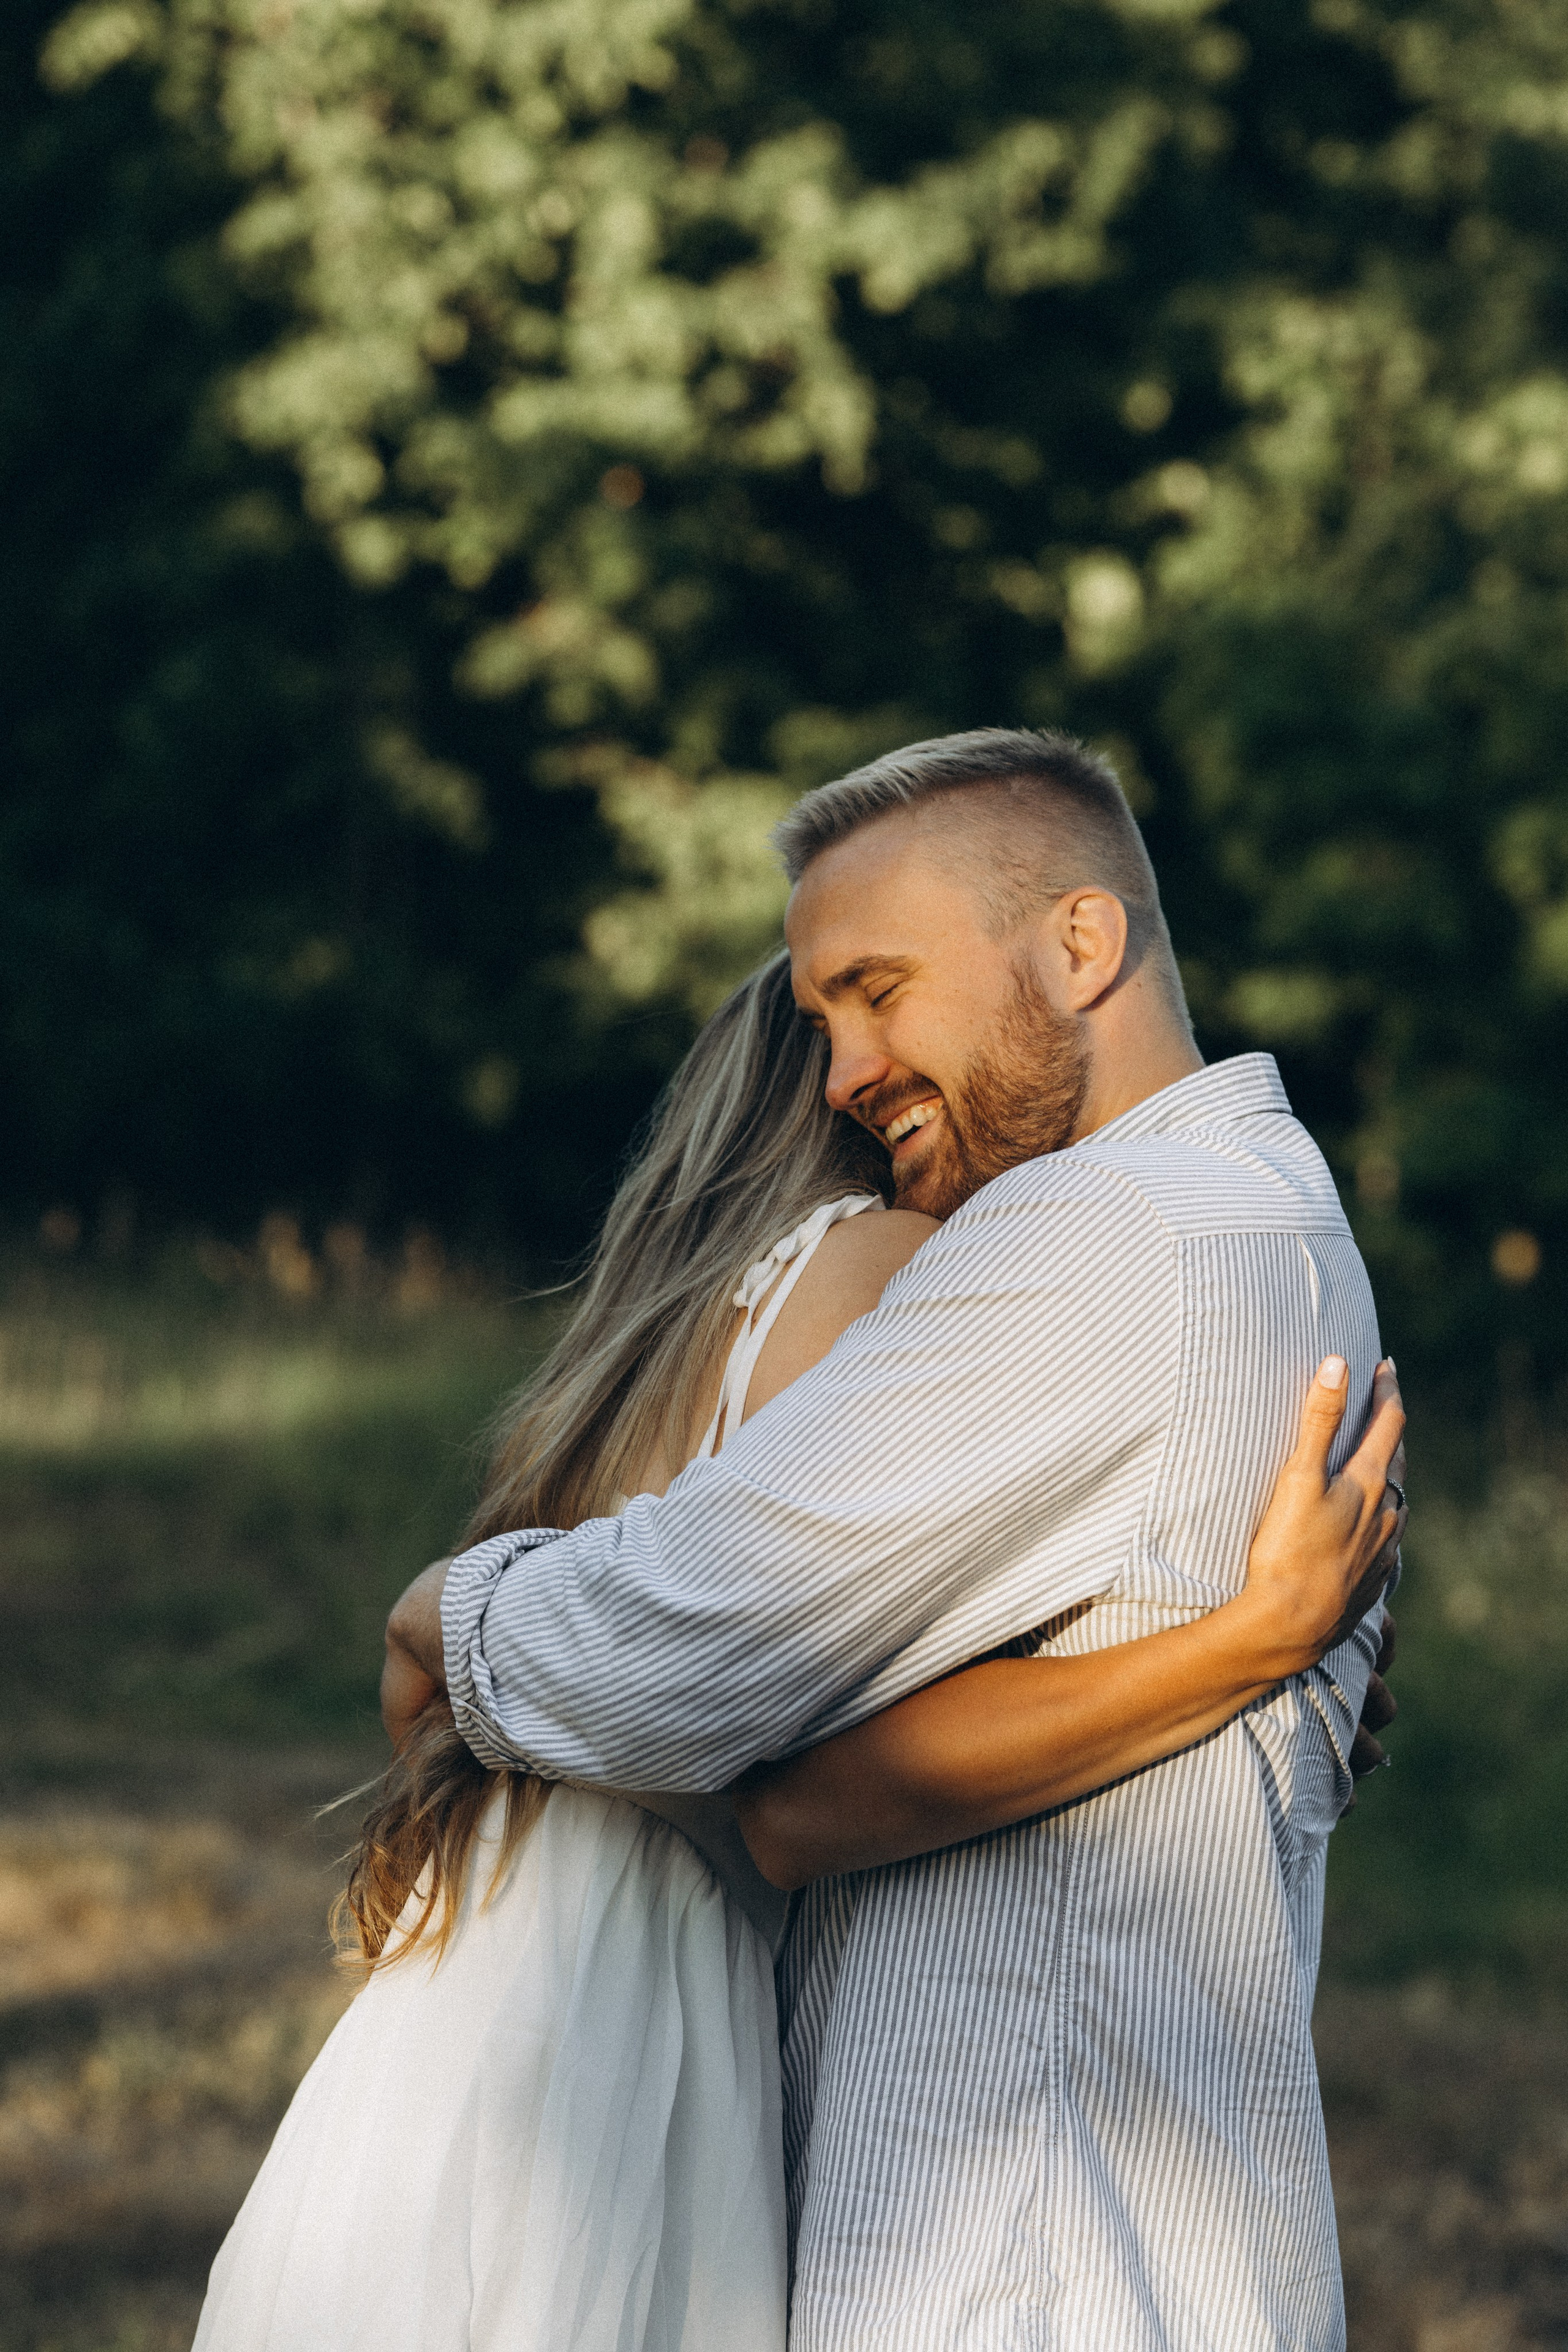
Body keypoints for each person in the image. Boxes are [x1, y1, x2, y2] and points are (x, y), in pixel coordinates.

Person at [194, 931, 1401, 2352]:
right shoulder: (891, 1271)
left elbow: (444, 1694)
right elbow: (836, 1772)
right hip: (649, 2011)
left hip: (469, 2002)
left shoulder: (656, 1342)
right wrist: (1248, 1647)